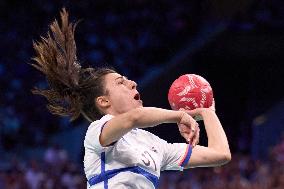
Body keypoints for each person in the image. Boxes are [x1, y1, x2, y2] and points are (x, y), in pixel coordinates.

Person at [31, 9, 231, 189]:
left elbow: (220, 154)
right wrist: (179, 116)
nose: (133, 83)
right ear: (103, 101)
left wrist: (207, 112)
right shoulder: (97, 131)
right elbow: (135, 117)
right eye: (120, 82)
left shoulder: (155, 144)